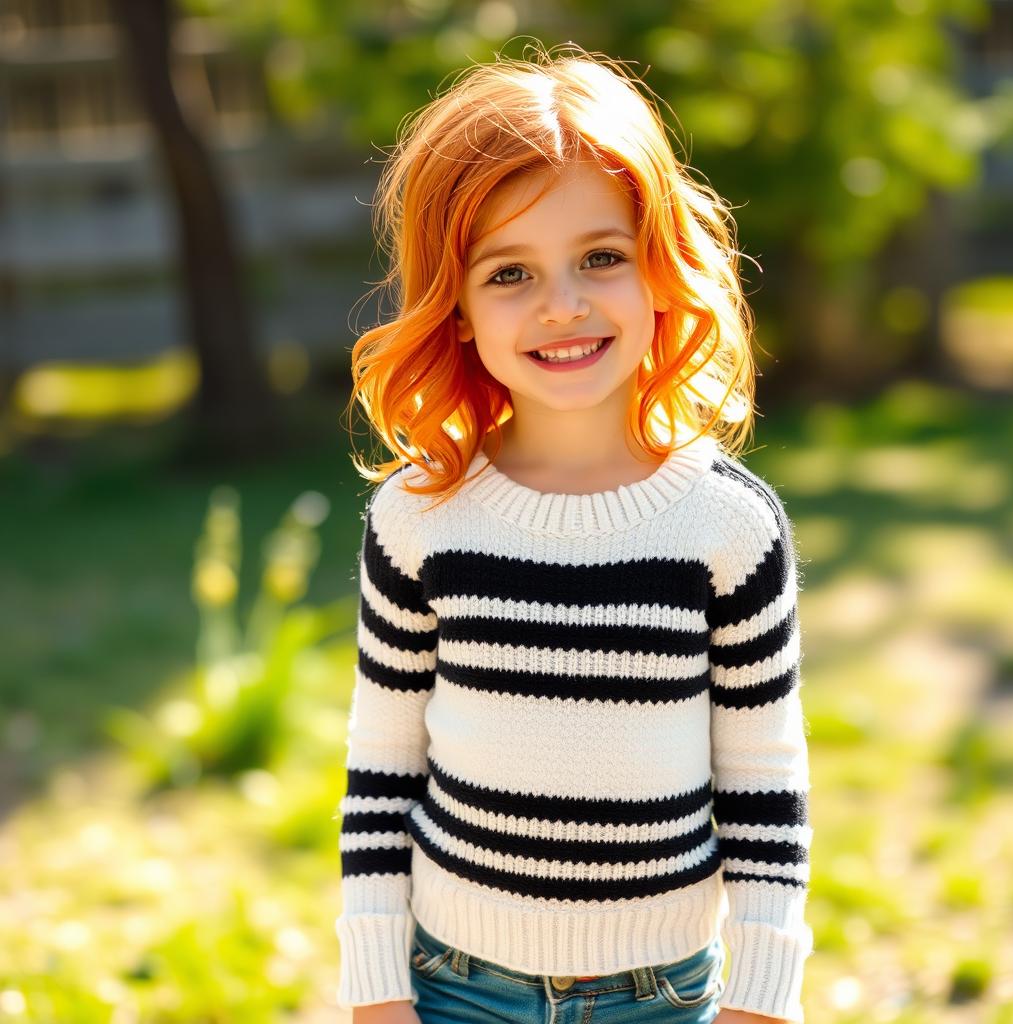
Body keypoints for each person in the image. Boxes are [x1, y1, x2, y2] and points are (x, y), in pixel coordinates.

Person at [336, 42, 813, 1024]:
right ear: (457, 308)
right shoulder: (418, 522)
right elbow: (382, 773)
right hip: (452, 988)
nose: (563, 303)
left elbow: (764, 784)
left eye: (600, 256)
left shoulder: (727, 528)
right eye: (508, 272)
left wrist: (762, 998)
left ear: (659, 269)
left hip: (662, 996)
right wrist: (375, 987)